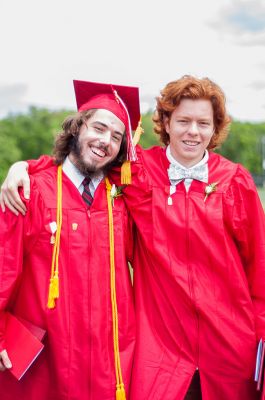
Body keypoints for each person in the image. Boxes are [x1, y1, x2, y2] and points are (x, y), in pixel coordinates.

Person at [2, 75, 265, 400]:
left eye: (203, 123)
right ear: (166, 123)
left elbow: (260, 271)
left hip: (229, 343)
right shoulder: (140, 174)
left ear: (215, 128)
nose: (193, 131)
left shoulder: (235, 183)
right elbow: (79, 162)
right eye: (183, 120)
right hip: (161, 354)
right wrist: (24, 167)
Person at [0, 79, 141, 400]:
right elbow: (3, 267)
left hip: (107, 356)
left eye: (117, 137)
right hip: (46, 353)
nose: (105, 141)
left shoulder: (123, 199)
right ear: (77, 128)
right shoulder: (32, 191)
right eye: (99, 128)